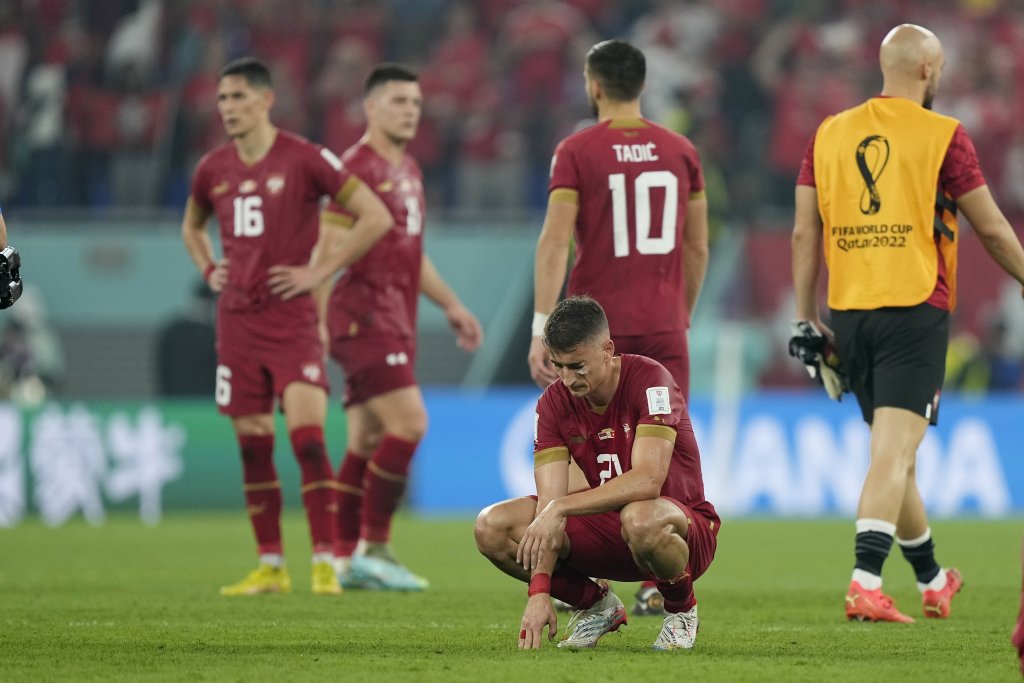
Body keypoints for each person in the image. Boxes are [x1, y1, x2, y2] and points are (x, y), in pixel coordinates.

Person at [791, 24, 1024, 623]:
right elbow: (992, 228)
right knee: (894, 452)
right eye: (939, 67)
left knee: (895, 455)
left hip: (850, 312)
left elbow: (804, 232)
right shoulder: (943, 134)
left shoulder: (829, 132)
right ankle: (865, 581)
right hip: (913, 307)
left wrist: (806, 318)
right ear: (927, 69)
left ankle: (933, 577)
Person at [181, 57, 392, 597]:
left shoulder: (305, 158)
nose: (228, 108)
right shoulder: (212, 168)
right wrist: (208, 267)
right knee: (252, 445)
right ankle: (271, 565)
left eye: (237, 97)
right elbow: (192, 226)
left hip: (292, 319)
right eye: (222, 99)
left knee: (308, 441)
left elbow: (375, 215)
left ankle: (323, 561)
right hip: (237, 322)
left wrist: (321, 270)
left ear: (265, 100)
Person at [527, 38, 709, 616]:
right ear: (643, 84)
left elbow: (556, 239)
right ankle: (660, 581)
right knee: (662, 458)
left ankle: (589, 576)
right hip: (663, 326)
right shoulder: (681, 150)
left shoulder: (577, 150)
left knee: (588, 451)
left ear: (593, 86)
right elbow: (697, 246)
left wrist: (541, 326)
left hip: (594, 326)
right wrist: (679, 313)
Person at [318, 63, 483, 591]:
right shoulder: (353, 169)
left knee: (365, 438)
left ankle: (342, 559)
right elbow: (326, 252)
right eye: (398, 102)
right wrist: (315, 324)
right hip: (361, 317)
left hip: (395, 317)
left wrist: (451, 304)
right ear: (370, 107)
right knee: (410, 423)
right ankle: (375, 548)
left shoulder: (410, 169)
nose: (410, 111)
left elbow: (412, 254)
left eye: (415, 103)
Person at [476, 295, 719, 650]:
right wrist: (539, 590)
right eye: (558, 365)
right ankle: (596, 605)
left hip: (680, 533)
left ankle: (681, 610)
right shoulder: (553, 404)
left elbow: (648, 480)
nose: (566, 379)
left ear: (607, 349)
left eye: (577, 366)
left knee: (640, 517)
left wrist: (560, 507)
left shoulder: (652, 381)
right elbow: (547, 508)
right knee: (491, 527)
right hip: (607, 533)